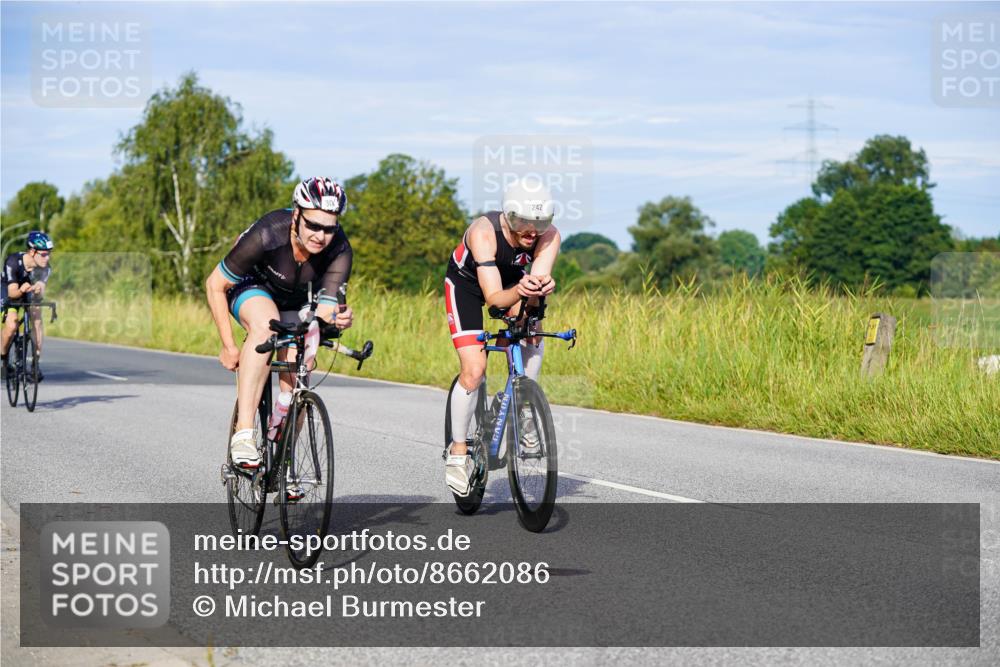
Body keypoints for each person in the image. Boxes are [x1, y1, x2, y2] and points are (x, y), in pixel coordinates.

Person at [205, 177, 354, 468]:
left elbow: (324, 310)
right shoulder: (269, 232)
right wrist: (228, 345)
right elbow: (215, 285)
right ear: (296, 215)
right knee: (265, 324)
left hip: (296, 299)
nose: (321, 236)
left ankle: (285, 464)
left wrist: (335, 317)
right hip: (253, 286)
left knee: (300, 369)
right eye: (313, 225)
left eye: (329, 228)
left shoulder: (340, 250)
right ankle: (244, 433)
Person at [443, 178, 561, 496]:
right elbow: (495, 300)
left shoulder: (549, 237)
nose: (531, 231)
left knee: (532, 333)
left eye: (540, 222)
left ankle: (523, 406)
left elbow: (531, 299)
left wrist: (537, 294)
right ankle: (457, 453)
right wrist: (520, 291)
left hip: (514, 282)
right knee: (474, 369)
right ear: (508, 215)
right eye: (522, 221)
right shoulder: (483, 232)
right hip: (469, 285)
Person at [2, 231, 54, 381]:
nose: (47, 258)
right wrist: (21, 289)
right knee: (11, 326)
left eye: (49, 254)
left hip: (27, 291)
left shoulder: (45, 268)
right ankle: (4, 360)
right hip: (8, 289)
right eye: (44, 254)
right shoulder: (13, 261)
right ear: (32, 251)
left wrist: (38, 289)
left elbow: (40, 291)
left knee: (36, 316)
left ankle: (35, 364)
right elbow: (12, 293)